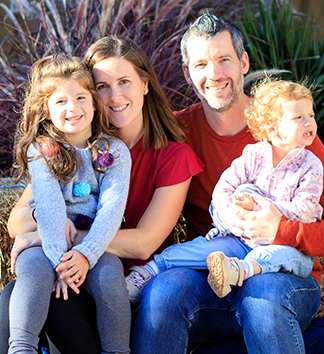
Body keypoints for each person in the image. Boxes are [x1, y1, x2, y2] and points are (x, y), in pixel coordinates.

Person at [129, 13, 324, 354]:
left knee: (262, 299)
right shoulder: (178, 133)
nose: (213, 74)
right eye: (200, 64)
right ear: (187, 73)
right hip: (213, 275)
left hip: (283, 278)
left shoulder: (292, 132)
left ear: (243, 62)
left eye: (223, 60)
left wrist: (281, 229)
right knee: (163, 293)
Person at [0, 36, 204, 354]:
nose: (114, 95)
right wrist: (47, 226)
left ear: (145, 85)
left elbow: (143, 243)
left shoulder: (169, 155)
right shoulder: (66, 148)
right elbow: (17, 223)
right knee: (14, 295)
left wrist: (52, 237)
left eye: (124, 82)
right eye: (102, 86)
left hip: (131, 288)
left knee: (55, 301)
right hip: (73, 273)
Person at [125, 79, 323, 302]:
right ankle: (148, 271)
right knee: (201, 248)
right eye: (299, 117)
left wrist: (263, 209)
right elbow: (224, 188)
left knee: (283, 257)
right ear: (273, 128)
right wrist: (232, 211)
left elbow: (305, 210)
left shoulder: (311, 165)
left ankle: (241, 270)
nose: (309, 123)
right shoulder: (253, 154)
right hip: (240, 239)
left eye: (311, 116)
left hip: (286, 246)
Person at [7, 54, 132, 354]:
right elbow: (50, 210)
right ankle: (21, 348)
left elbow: (112, 211)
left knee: (110, 274)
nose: (72, 108)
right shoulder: (43, 151)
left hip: (93, 242)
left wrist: (85, 256)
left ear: (93, 102)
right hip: (48, 244)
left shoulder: (113, 151)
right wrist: (60, 265)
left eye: (80, 97)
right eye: (61, 101)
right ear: (47, 110)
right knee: (33, 270)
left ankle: (117, 351)